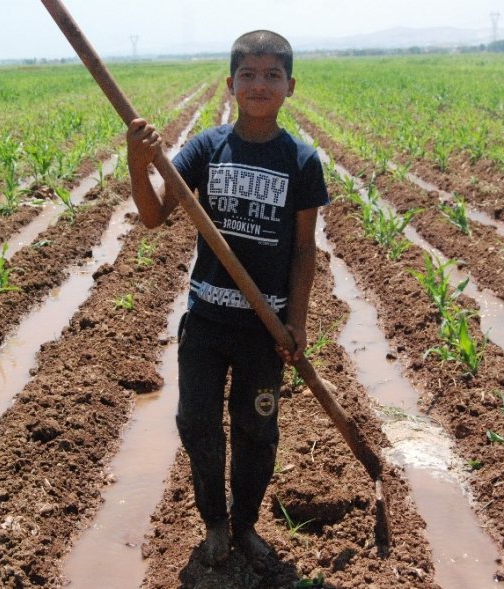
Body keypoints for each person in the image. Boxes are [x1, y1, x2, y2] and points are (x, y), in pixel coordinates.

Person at [126, 29, 329, 566]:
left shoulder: (302, 162)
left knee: (257, 428)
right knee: (196, 422)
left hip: (265, 330)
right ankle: (214, 522)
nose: (259, 84)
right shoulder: (206, 149)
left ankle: (245, 525)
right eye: (248, 74)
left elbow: (304, 252)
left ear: (290, 86)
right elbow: (152, 216)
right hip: (207, 323)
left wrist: (298, 322)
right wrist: (137, 159)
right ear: (230, 84)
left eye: (271, 75)